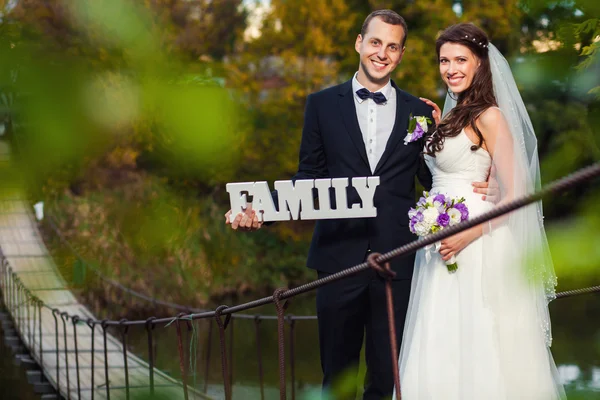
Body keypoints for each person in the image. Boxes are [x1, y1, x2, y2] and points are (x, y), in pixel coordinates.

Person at [225, 12, 492, 398]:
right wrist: (262, 212)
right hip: (337, 260)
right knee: (337, 381)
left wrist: (488, 184)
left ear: (401, 54)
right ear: (359, 42)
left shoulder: (419, 113)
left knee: (388, 381)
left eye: (392, 46)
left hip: (400, 261)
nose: (382, 53)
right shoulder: (320, 105)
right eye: (375, 42)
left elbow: (434, 179)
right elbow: (308, 178)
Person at [398, 23, 566, 399]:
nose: (451, 68)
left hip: (478, 243)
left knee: (481, 339)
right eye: (444, 60)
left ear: (480, 64)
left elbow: (519, 194)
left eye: (461, 59)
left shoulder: (491, 116)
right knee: (440, 338)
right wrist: (439, 127)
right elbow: (452, 167)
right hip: (438, 250)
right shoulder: (453, 114)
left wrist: (467, 233)